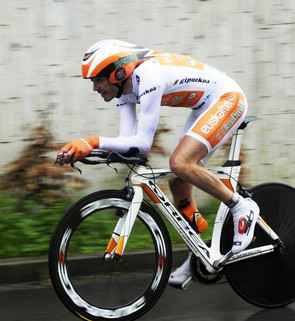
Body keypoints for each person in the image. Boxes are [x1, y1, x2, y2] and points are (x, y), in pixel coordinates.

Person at [55, 40, 259, 288]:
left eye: (98, 80)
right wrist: (86, 149)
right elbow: (127, 142)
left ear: (118, 73)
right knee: (179, 184)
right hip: (206, 104)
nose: (95, 88)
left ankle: (241, 207)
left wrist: (91, 141)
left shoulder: (148, 75)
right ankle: (201, 253)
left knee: (180, 163)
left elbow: (142, 143)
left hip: (227, 99)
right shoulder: (124, 90)